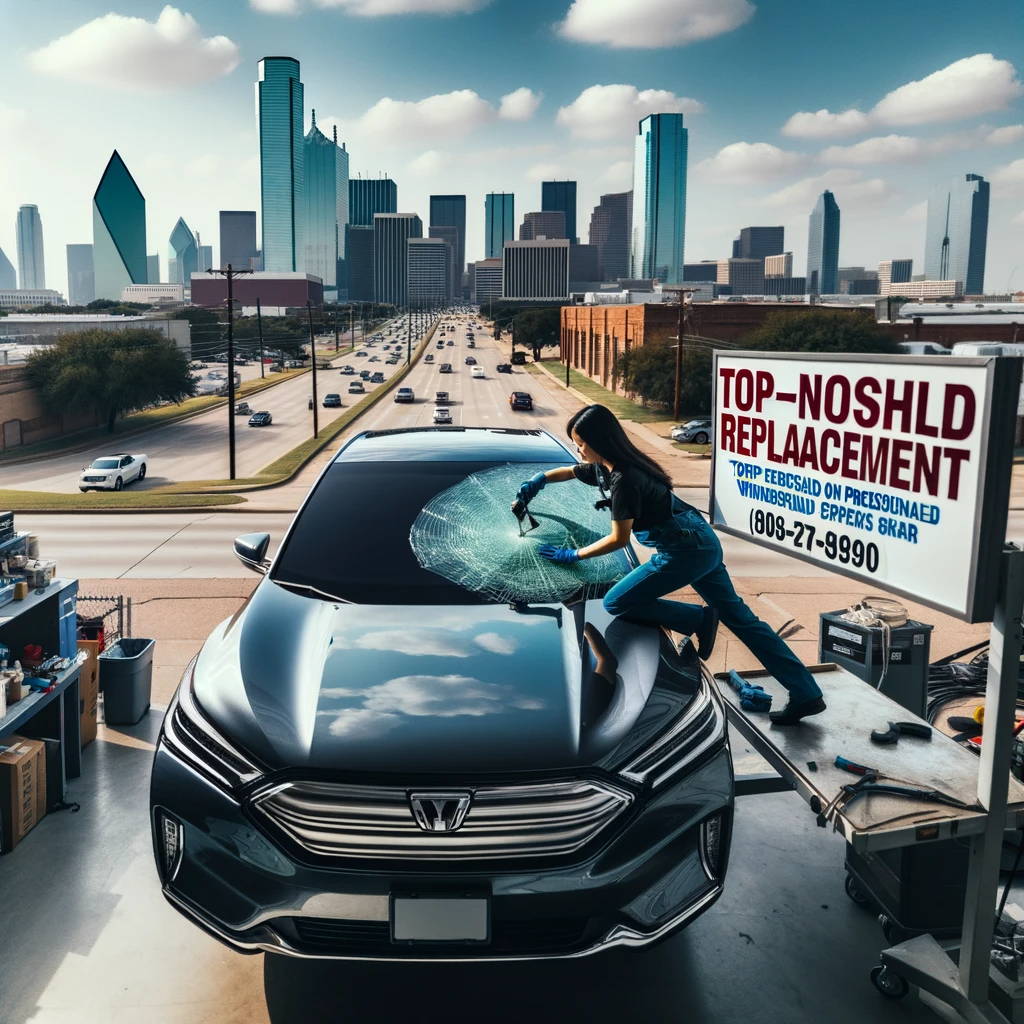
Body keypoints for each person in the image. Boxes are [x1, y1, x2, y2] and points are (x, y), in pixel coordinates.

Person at [516, 404, 826, 725]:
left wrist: (573, 556)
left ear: (599, 442)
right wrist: (539, 481)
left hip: (683, 550)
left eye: (580, 442)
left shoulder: (625, 479)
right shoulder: (608, 467)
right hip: (700, 540)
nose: (577, 449)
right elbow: (570, 471)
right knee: (744, 621)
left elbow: (618, 539)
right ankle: (806, 692)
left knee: (617, 602)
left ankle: (697, 618)